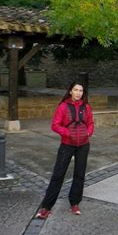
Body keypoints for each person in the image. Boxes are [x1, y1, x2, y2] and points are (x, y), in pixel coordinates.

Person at [36, 82, 94, 219]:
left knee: (79, 174)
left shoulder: (86, 107)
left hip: (83, 145)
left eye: (81, 90)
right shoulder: (63, 107)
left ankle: (75, 202)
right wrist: (68, 133)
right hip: (67, 145)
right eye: (76, 90)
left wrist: (88, 133)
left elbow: (91, 123)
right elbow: (55, 125)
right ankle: (47, 207)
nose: (78, 93)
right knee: (58, 174)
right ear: (70, 91)